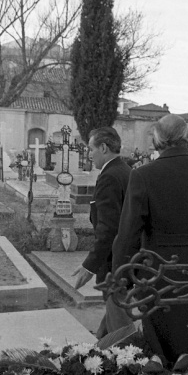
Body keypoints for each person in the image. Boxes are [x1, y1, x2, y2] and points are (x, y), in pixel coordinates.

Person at [112, 114, 188, 365]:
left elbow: (129, 232)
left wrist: (120, 278)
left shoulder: (144, 175)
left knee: (162, 346)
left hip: (161, 271)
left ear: (158, 139)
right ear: (186, 138)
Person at [72, 126, 133, 339]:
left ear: (104, 148)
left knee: (121, 326)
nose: (89, 154)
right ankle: (100, 340)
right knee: (115, 312)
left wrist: (89, 265)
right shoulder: (125, 170)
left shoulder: (109, 176)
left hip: (113, 261)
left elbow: (107, 228)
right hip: (126, 257)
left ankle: (127, 361)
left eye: (91, 149)